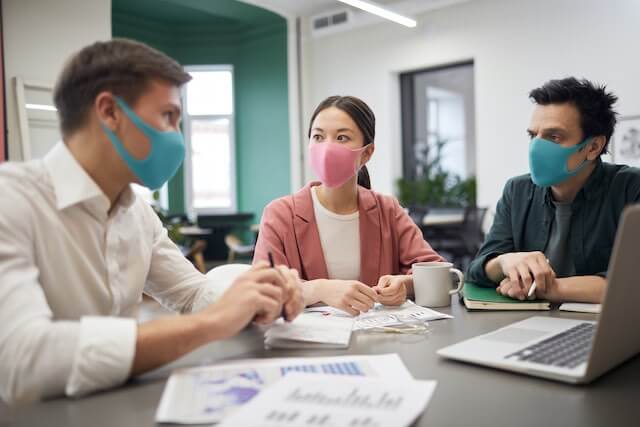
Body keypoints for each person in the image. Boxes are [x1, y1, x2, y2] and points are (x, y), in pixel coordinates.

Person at [0, 39, 304, 405]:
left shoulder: (138, 214)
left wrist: (255, 291)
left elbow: (191, 293)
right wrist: (211, 324)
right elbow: (20, 361)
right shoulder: (12, 201)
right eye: (168, 117)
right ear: (110, 111)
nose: (177, 137)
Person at [254, 96, 444, 315]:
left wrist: (405, 284)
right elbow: (262, 291)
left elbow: (437, 271)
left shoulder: (387, 210)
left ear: (366, 153)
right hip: (310, 344)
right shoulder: (279, 214)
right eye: (318, 136)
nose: (327, 148)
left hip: (380, 340)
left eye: (342, 137)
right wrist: (318, 289)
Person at [467, 77, 640, 303]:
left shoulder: (630, 189)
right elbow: (477, 270)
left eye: (554, 137)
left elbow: (632, 283)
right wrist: (504, 262)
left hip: (604, 330)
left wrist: (551, 287)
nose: (537, 147)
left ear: (593, 147)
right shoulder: (517, 191)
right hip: (524, 324)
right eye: (533, 135)